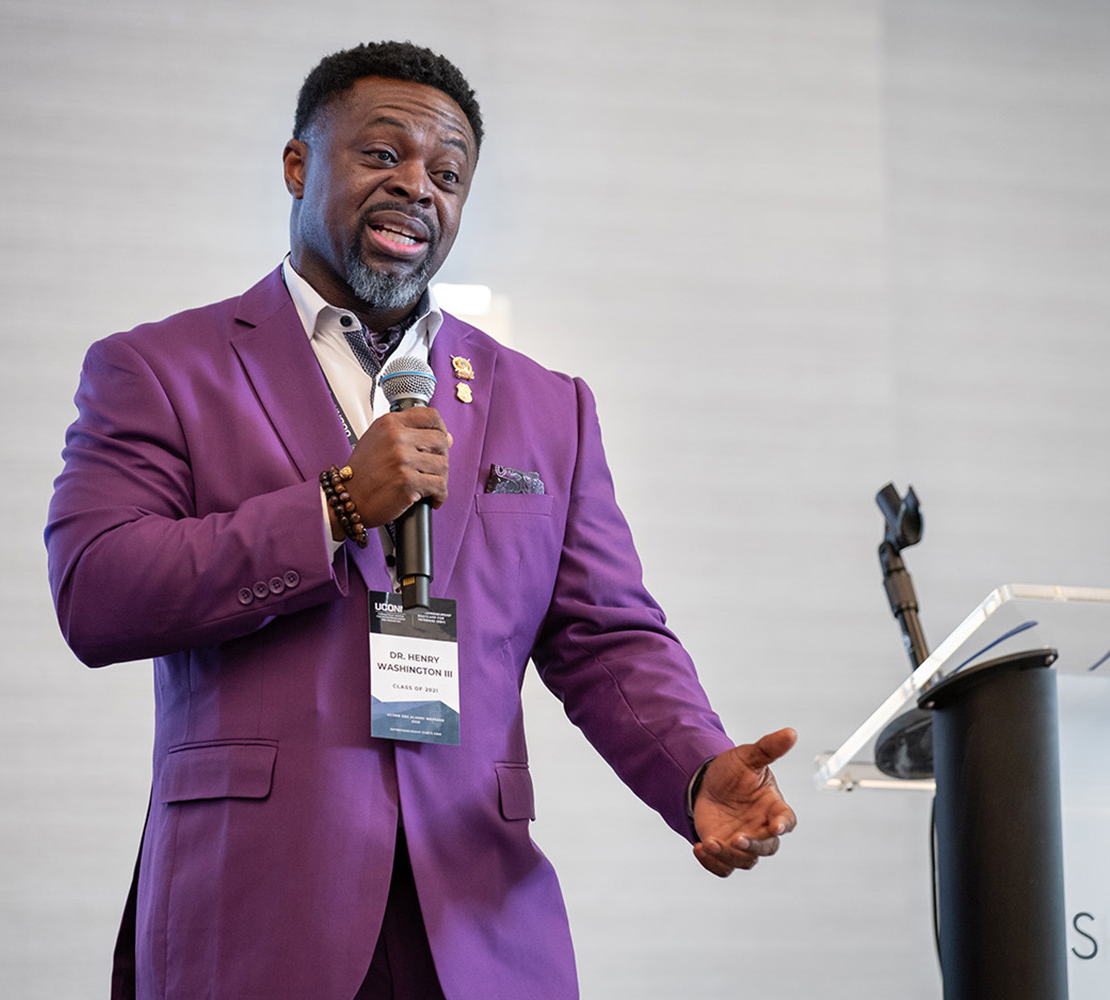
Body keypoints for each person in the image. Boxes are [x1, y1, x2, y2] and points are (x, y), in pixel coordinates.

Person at [46, 40, 796, 1000]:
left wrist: (695, 770)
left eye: (447, 174)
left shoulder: (545, 405)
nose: (417, 188)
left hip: (477, 916)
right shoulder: (159, 368)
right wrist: (336, 505)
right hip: (255, 910)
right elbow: (98, 592)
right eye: (381, 154)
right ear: (296, 165)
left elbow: (606, 637)